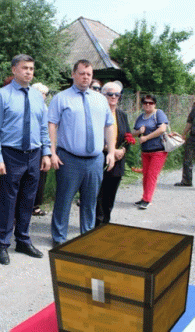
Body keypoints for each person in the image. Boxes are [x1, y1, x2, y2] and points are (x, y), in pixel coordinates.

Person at [0, 54, 51, 265]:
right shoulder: (2, 95)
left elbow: (43, 127)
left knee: (28, 200)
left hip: (33, 154)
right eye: (24, 68)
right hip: (10, 154)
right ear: (14, 70)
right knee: (8, 200)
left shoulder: (36, 96)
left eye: (32, 69)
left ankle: (23, 240)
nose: (29, 72)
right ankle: (2, 244)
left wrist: (46, 152)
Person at [48, 59, 115, 246]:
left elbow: (109, 126)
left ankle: (87, 236)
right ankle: (59, 238)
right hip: (69, 159)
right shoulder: (61, 98)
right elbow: (52, 125)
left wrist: (110, 152)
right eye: (82, 73)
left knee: (90, 201)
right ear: (73, 74)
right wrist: (52, 152)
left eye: (89, 74)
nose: (86, 77)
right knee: (64, 200)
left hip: (95, 160)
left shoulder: (100, 99)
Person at [95, 82, 131, 226]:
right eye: (110, 94)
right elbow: (93, 136)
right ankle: (97, 222)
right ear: (103, 95)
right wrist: (109, 149)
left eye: (117, 94)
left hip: (117, 161)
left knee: (111, 194)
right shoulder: (97, 113)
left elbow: (128, 136)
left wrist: (123, 150)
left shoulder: (122, 115)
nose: (114, 97)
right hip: (100, 159)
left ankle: (106, 221)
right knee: (99, 193)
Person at [132, 94, 168, 209]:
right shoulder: (141, 117)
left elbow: (162, 129)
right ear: (142, 104)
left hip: (158, 150)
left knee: (152, 175)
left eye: (151, 102)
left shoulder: (159, 114)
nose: (148, 104)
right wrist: (138, 132)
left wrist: (146, 137)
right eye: (145, 102)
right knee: (146, 175)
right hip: (145, 151)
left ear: (155, 104)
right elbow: (132, 132)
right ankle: (144, 198)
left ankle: (147, 200)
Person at [30, 82, 50, 216]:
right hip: (34, 144)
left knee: (41, 177)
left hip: (43, 143)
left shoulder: (44, 107)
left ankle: (35, 204)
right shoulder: (33, 106)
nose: (45, 96)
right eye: (43, 93)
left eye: (46, 94)